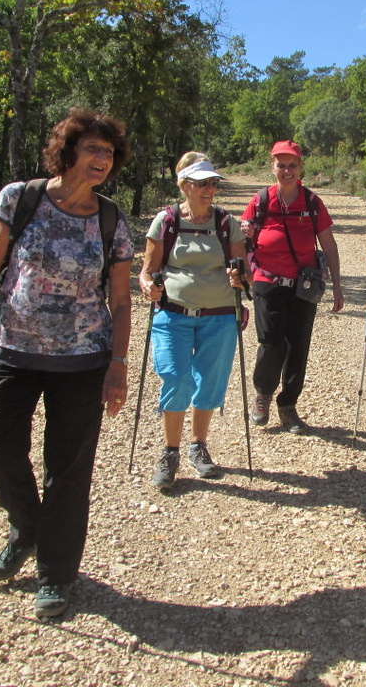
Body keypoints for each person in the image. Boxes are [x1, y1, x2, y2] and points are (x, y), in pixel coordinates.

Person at [0, 109, 132, 618]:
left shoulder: (111, 219)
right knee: (0, 452)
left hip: (82, 358)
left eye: (109, 153)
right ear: (68, 150)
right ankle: (27, 528)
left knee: (68, 473)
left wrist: (118, 362)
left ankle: (56, 574)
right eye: (93, 149)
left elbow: (119, 299)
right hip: (11, 346)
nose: (101, 160)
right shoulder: (20, 197)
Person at [137, 153, 247, 493]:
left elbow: (246, 271)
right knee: (175, 377)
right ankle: (170, 452)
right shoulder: (166, 222)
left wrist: (240, 277)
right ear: (184, 186)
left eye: (213, 182)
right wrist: (147, 286)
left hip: (220, 317)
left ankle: (198, 445)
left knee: (210, 382)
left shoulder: (228, 224)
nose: (209, 189)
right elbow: (147, 271)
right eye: (202, 183)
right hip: (173, 314)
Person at [240, 140, 344, 432]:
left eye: (292, 165)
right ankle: (263, 393)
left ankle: (288, 406)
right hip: (266, 282)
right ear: (272, 166)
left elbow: (330, 245)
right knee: (271, 343)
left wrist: (337, 285)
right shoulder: (260, 201)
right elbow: (241, 244)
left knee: (298, 346)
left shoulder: (311, 203)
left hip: (303, 285)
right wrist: (246, 234)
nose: (286, 171)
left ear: (301, 168)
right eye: (281, 165)